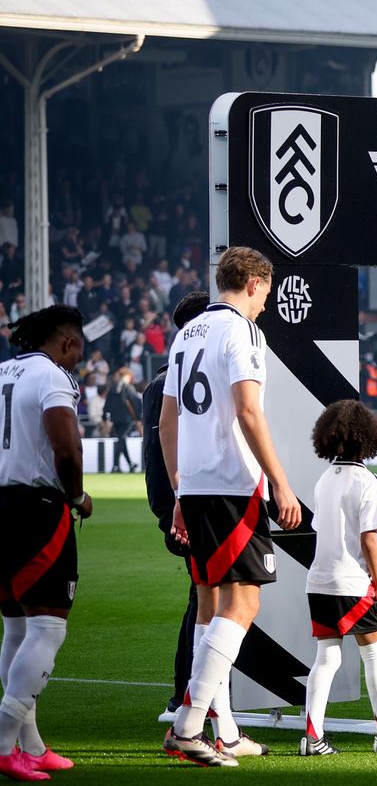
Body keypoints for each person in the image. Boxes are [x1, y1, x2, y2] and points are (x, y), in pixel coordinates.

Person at [161, 247, 301, 767]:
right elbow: (247, 409)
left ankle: (222, 728)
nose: (267, 301)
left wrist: (179, 490)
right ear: (255, 282)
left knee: (211, 604)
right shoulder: (242, 333)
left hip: (197, 485)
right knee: (242, 605)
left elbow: (167, 423)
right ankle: (188, 726)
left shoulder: (187, 333)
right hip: (231, 485)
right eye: (267, 290)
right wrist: (281, 484)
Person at [298, 400, 377, 755]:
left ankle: (312, 737)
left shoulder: (324, 479)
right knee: (375, 654)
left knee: (327, 657)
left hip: (319, 581)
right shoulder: (369, 481)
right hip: (352, 582)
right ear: (369, 437)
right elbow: (369, 539)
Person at [0, 306, 92, 782]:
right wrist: (76, 496)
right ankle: (2, 744)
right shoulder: (53, 377)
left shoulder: (2, 372)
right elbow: (66, 447)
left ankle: (28, 744)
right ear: (66, 344)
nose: (78, 359)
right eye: (77, 349)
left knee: (16, 625)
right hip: (37, 511)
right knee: (48, 628)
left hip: (2, 506)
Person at [141, 292, 211, 714]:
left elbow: (154, 451)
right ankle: (186, 697)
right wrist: (175, 506)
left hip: (174, 502)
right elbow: (167, 444)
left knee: (202, 597)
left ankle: (192, 695)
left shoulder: (161, 380)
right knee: (204, 599)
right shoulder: (181, 380)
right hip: (189, 502)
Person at [104, 368, 141, 473]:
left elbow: (107, 403)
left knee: (121, 439)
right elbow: (135, 403)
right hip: (127, 419)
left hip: (115, 418)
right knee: (121, 439)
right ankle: (116, 465)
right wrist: (139, 418)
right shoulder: (129, 388)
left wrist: (104, 416)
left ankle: (129, 465)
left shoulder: (113, 388)